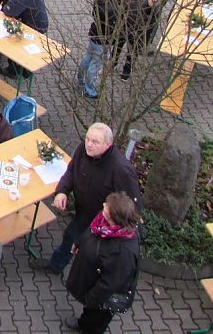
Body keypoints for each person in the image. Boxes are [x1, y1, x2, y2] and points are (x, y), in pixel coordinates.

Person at [32, 123, 140, 275]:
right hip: (83, 212)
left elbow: (132, 206)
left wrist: (108, 222)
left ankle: (79, 278)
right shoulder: (83, 150)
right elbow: (71, 171)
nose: (89, 144)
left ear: (108, 144)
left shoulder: (120, 170)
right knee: (71, 237)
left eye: (95, 142)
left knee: (85, 248)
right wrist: (62, 191)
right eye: (87, 139)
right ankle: (57, 266)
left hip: (102, 221)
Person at [63, 191, 141, 334]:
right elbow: (92, 230)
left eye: (106, 208)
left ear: (115, 218)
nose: (103, 206)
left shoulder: (124, 252)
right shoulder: (105, 220)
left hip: (103, 297)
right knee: (90, 313)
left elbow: (110, 283)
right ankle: (83, 322)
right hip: (93, 284)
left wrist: (91, 299)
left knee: (96, 322)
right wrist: (79, 243)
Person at [77, 0, 124, 100]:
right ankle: (90, 89)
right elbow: (114, 24)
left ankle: (80, 80)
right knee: (96, 64)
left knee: (88, 57)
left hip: (94, 35)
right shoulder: (112, 7)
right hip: (104, 40)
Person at [118, 0, 156, 81]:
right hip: (124, 24)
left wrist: (153, 6)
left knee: (132, 52)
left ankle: (126, 70)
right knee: (118, 45)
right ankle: (113, 62)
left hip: (138, 29)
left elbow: (154, 16)